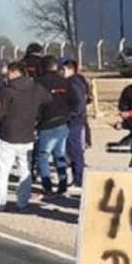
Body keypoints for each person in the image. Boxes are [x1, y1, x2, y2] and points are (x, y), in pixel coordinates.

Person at [0, 62, 51, 212]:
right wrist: (38, 118)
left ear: (13, 72)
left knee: (3, 171)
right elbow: (49, 102)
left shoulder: (7, 91)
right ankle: (22, 202)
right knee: (25, 170)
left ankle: (0, 203)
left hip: (8, 135)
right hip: (28, 135)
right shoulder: (36, 88)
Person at [34, 56, 79, 195]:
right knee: (60, 154)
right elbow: (75, 102)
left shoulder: (38, 83)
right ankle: (63, 185)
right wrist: (68, 114)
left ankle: (47, 187)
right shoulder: (65, 82)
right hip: (62, 123)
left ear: (42, 67)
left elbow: (35, 105)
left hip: (46, 124)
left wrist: (36, 120)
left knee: (42, 156)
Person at [62, 59, 91, 187]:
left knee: (75, 149)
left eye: (63, 70)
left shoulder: (72, 82)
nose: (61, 72)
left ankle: (79, 178)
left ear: (70, 69)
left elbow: (79, 103)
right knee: (72, 149)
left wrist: (71, 115)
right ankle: (77, 177)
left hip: (74, 120)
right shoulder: (77, 81)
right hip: (76, 119)